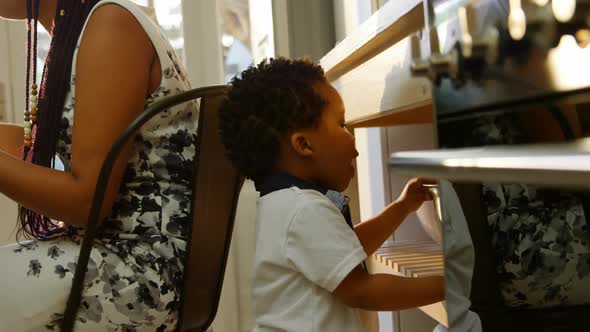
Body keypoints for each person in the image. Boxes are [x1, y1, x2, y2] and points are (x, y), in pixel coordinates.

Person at [0, 0, 196, 330]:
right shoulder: (77, 33)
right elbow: (30, 157)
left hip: (144, 271)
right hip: (107, 251)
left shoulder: (110, 25)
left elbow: (85, 202)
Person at [218, 57, 445, 331]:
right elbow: (362, 291)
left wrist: (402, 207)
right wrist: (452, 284)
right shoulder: (304, 209)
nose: (351, 137)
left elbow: (346, 249)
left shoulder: (284, 202)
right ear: (304, 145)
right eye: (341, 123)